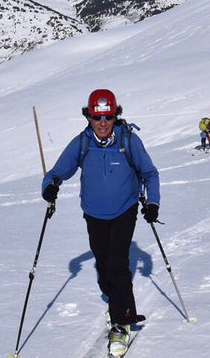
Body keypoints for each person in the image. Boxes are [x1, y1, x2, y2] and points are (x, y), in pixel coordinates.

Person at [41, 89, 160, 355]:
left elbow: (150, 173)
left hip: (124, 209)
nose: (103, 123)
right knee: (103, 265)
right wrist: (49, 186)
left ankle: (122, 321)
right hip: (93, 213)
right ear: (89, 117)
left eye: (108, 117)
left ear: (116, 116)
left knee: (117, 264)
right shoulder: (82, 143)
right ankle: (115, 300)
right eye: (97, 117)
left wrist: (152, 203)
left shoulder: (128, 140)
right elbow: (57, 172)